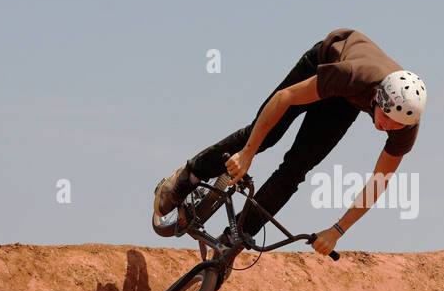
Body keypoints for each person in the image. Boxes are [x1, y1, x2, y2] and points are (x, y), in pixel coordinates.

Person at [154, 28, 425, 257]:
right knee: (265, 136)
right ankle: (189, 176)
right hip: (325, 65)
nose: (388, 127)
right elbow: (285, 98)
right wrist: (248, 153)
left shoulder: (405, 126)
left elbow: (379, 180)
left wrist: (338, 230)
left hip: (344, 102)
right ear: (379, 98)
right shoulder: (352, 75)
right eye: (387, 118)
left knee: (296, 169)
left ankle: (234, 239)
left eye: (397, 125)